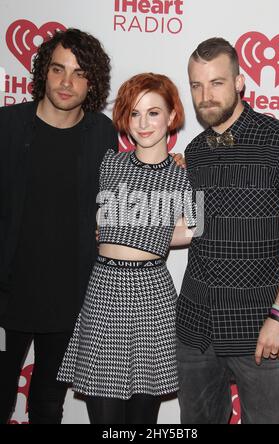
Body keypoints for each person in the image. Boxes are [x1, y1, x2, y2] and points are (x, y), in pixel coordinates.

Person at [57, 72, 197, 424]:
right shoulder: (109, 164)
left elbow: (195, 230)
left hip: (152, 293)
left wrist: (140, 232)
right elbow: (87, 219)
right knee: (104, 416)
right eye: (134, 113)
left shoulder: (185, 173)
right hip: (104, 290)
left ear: (171, 116)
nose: (143, 123)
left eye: (153, 112)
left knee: (142, 419)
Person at [176, 37, 279, 424]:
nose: (205, 95)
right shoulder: (193, 151)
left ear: (240, 82)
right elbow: (190, 229)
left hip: (259, 330)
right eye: (196, 85)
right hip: (196, 330)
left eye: (216, 83)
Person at [0, 28, 118, 424]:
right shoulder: (7, 125)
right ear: (43, 73)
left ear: (93, 82)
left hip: (68, 301)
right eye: (58, 69)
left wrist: (175, 168)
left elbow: (118, 196)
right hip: (6, 297)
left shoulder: (102, 134)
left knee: (49, 406)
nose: (67, 83)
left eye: (79, 73)